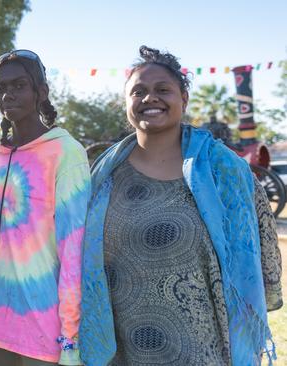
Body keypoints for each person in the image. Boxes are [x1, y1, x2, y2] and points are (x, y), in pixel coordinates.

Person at [79, 46, 283, 365]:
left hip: (209, 352)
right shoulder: (101, 177)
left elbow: (263, 257)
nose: (150, 98)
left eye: (163, 90)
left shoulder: (223, 171)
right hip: (123, 351)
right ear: (126, 103)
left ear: (183, 100)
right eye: (139, 91)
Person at [0, 50, 89, 366]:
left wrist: (69, 340)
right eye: (0, 87)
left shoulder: (66, 152)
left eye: (19, 85)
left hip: (44, 323)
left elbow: (74, 250)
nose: (7, 94)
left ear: (40, 93)